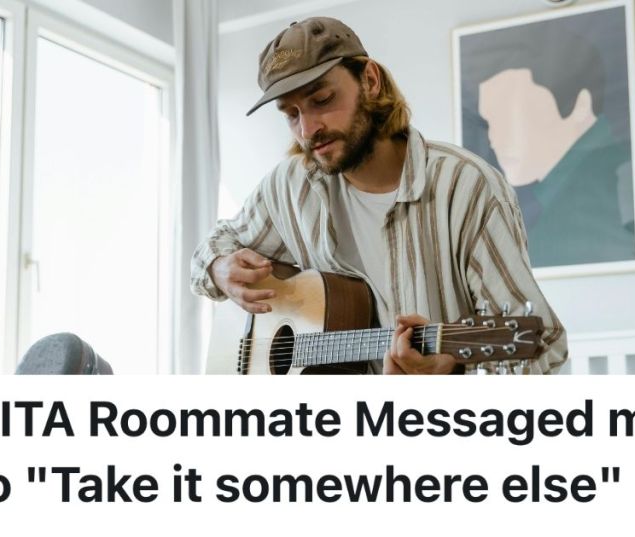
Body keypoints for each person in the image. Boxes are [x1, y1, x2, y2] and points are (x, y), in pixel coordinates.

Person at [190, 17, 566, 374]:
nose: (307, 130)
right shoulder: (289, 186)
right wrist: (219, 268)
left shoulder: (466, 188)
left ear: (370, 80)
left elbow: (544, 346)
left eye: (321, 100)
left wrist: (456, 373)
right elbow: (212, 248)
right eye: (291, 114)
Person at [473, 31, 635, 267]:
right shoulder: (561, 197)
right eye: (491, 121)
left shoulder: (614, 185)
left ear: (580, 105)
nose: (494, 138)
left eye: (512, 117)